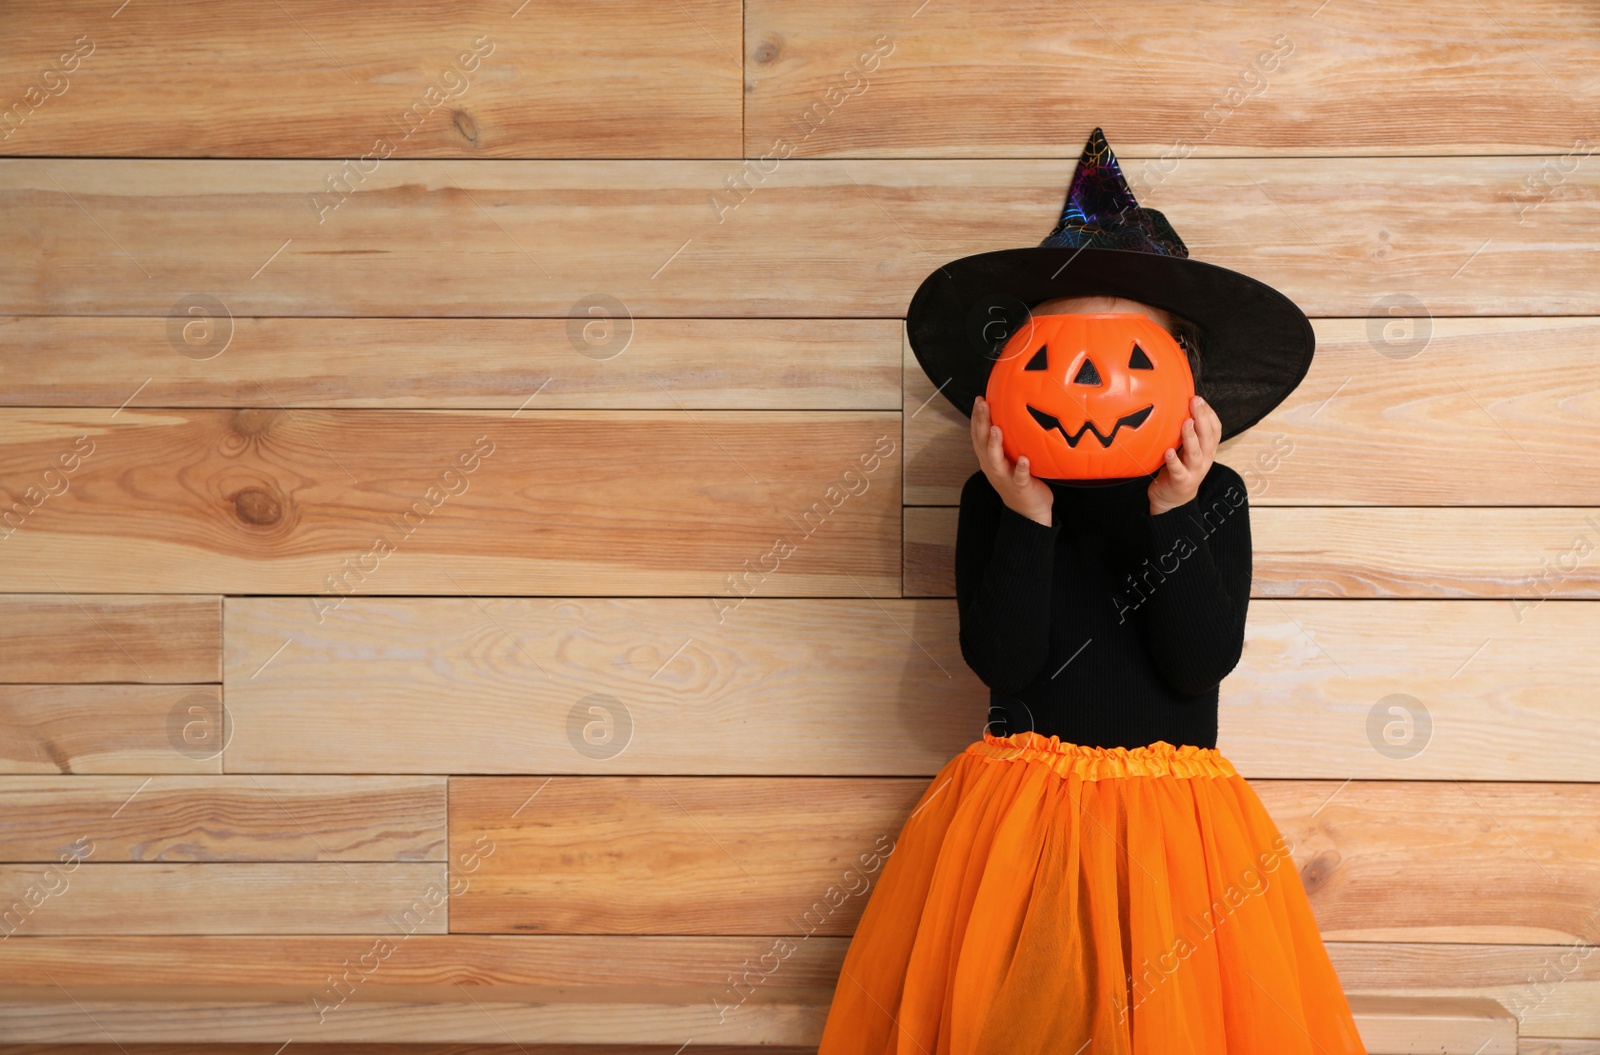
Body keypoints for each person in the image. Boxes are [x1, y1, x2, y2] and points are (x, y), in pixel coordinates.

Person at [815, 130, 1368, 1054]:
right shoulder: (996, 498)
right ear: (1011, 367)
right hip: (1020, 821)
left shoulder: (1213, 496)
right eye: (1053, 354)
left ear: (1185, 373)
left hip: (1173, 835)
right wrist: (1025, 512)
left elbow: (1198, 663)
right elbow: (1003, 660)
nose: (1089, 383)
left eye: (1128, 360)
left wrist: (1173, 509)